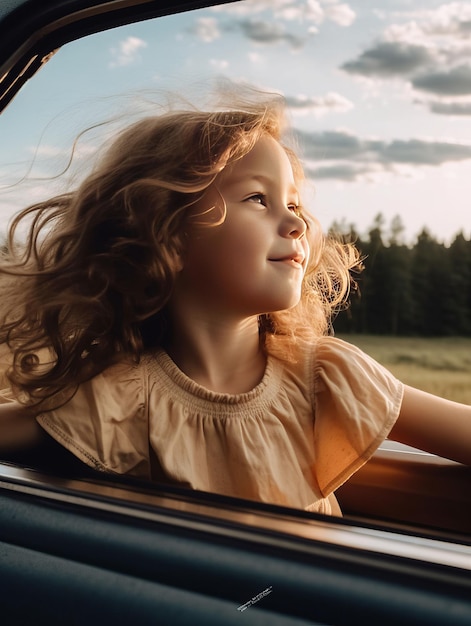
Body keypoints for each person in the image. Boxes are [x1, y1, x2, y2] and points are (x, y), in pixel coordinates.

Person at [0, 93, 470, 516]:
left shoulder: (326, 376)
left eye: (294, 203)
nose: (297, 223)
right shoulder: (118, 398)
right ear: (166, 234)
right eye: (258, 199)